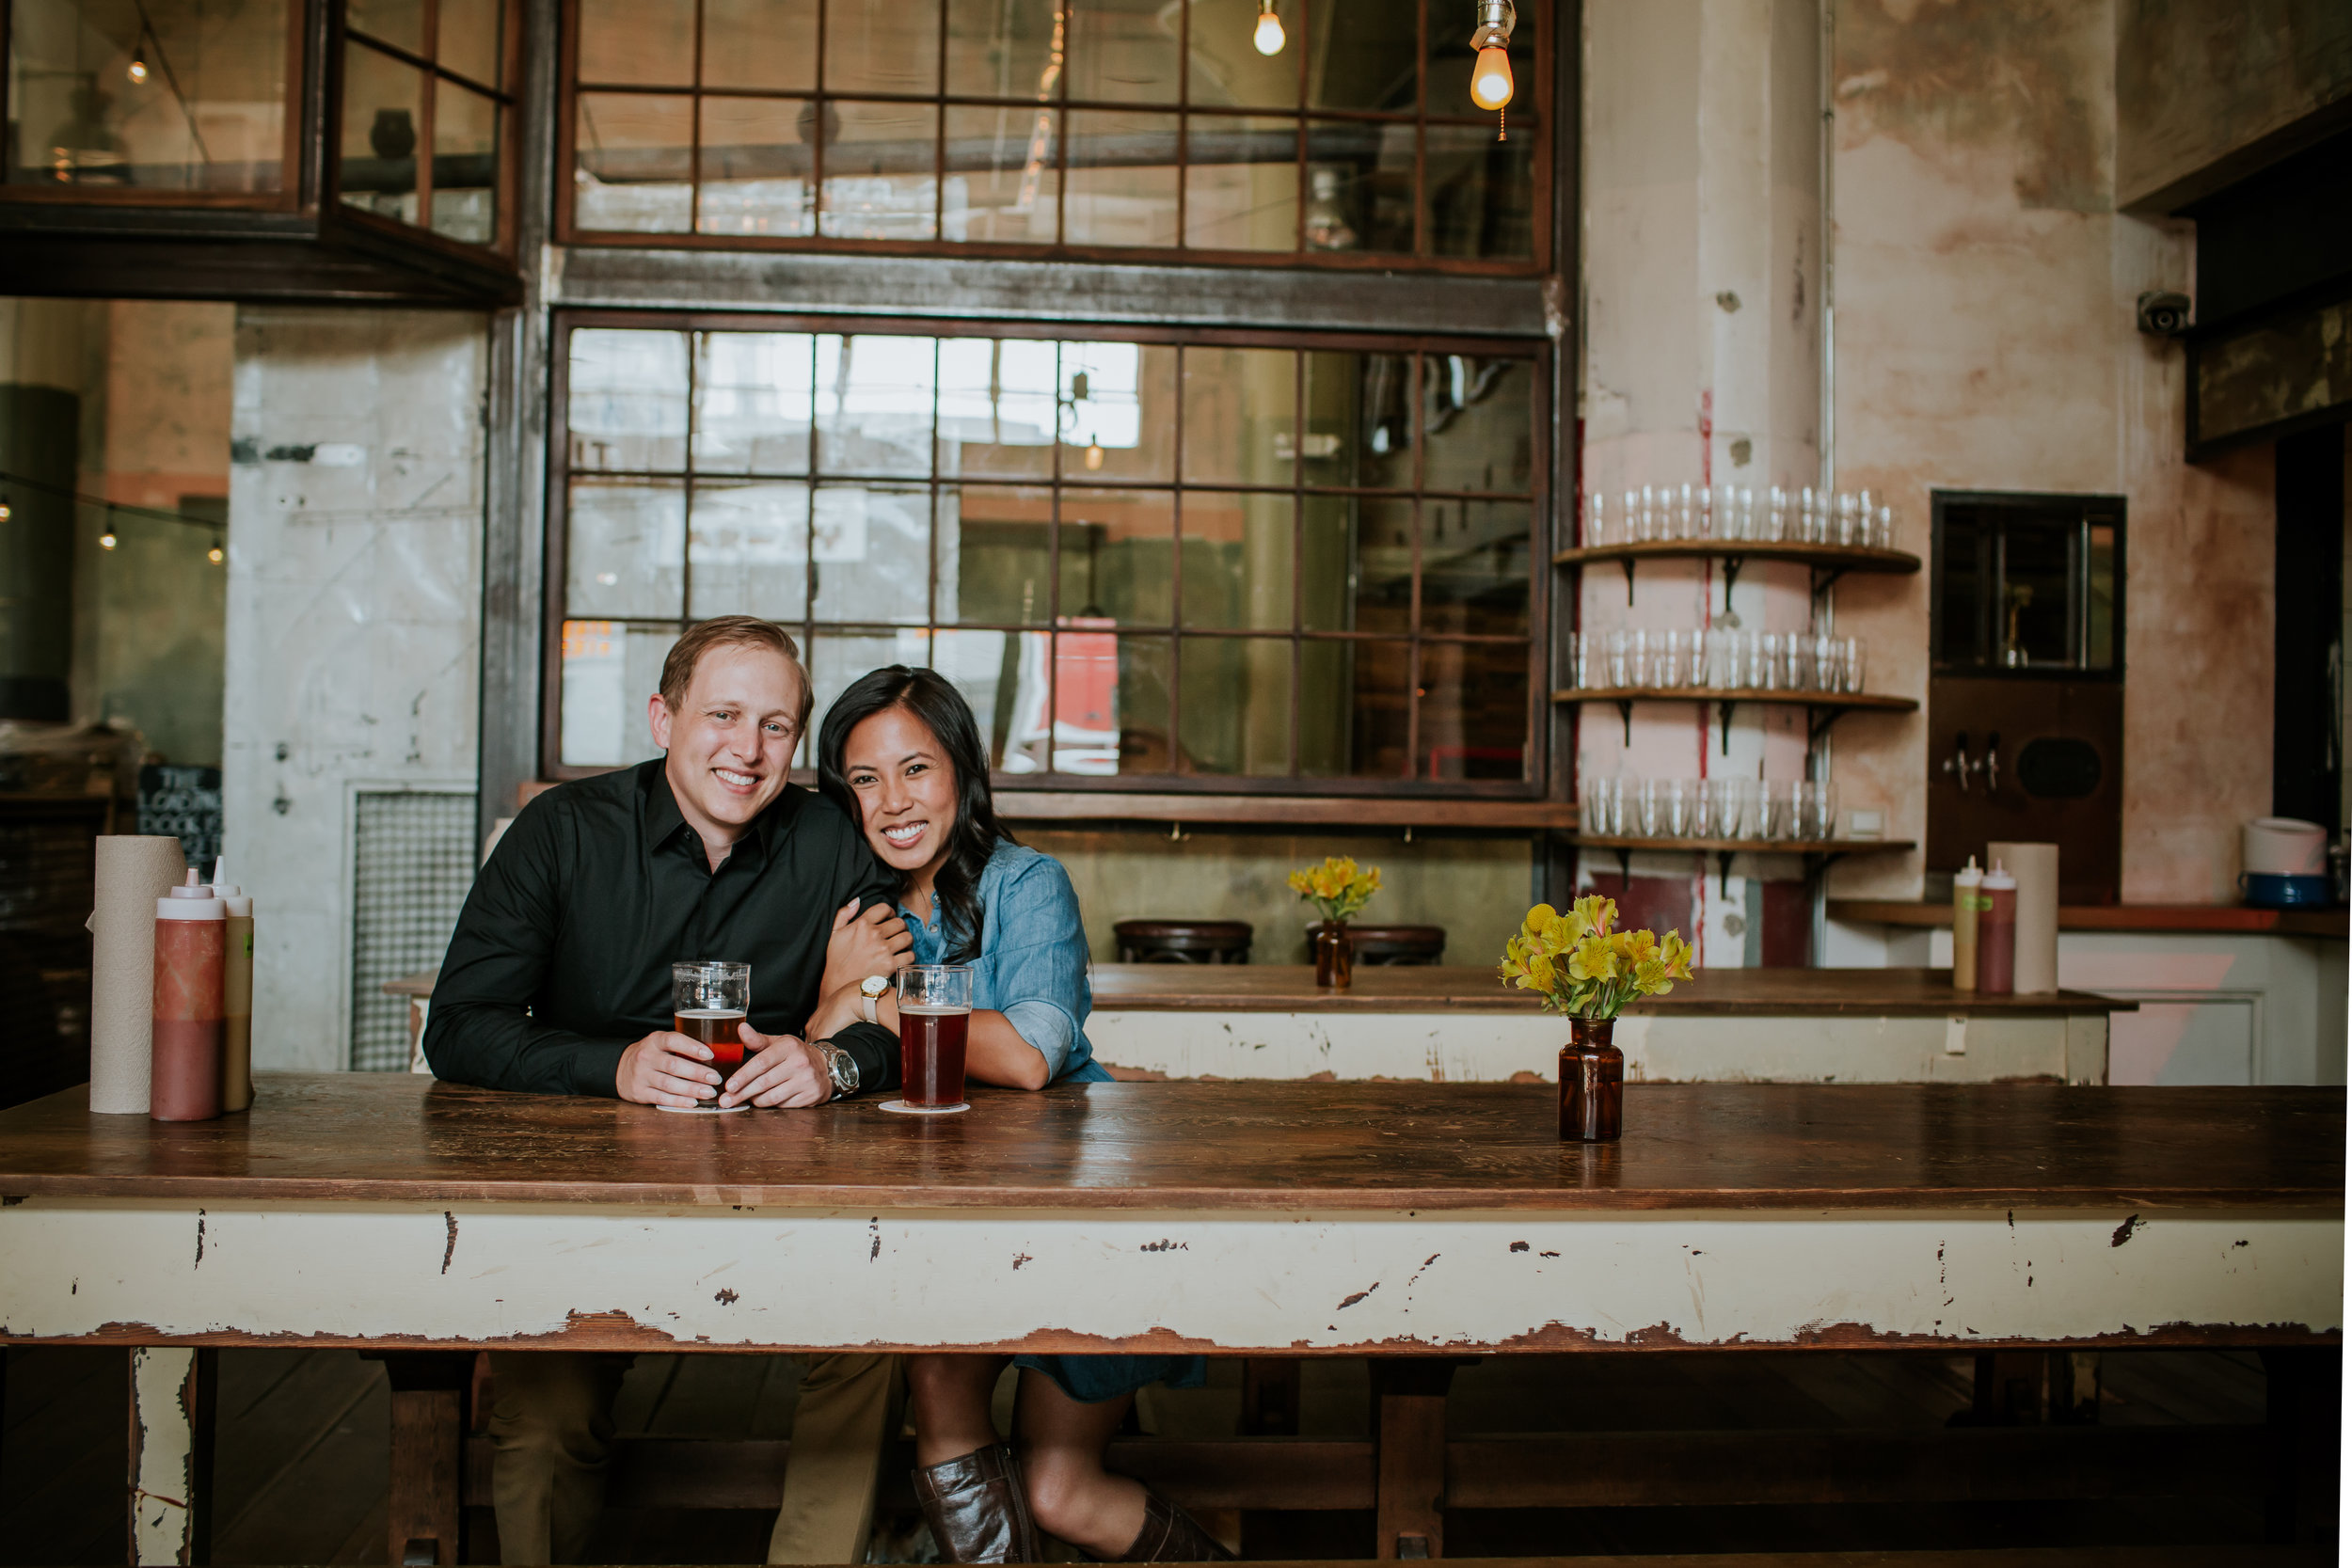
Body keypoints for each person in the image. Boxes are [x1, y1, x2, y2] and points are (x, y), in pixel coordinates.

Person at [423, 616, 914, 1564]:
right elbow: (461, 1023)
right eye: (723, 714)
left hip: (787, 1197)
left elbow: (894, 1014)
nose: (749, 747)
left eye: (777, 725)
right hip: (589, 1197)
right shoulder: (562, 831)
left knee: (871, 1341)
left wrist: (830, 1060)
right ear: (663, 716)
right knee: (543, 1410)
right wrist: (611, 1067)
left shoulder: (828, 842)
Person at [806, 666, 1230, 1564]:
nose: (893, 801)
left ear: (964, 766)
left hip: (1076, 1208)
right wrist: (833, 989)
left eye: (915, 768)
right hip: (944, 1211)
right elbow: (816, 1048)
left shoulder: (1026, 883)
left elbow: (1030, 1058)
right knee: (932, 1369)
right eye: (866, 780)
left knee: (1058, 1489)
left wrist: (870, 991)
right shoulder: (851, 904)